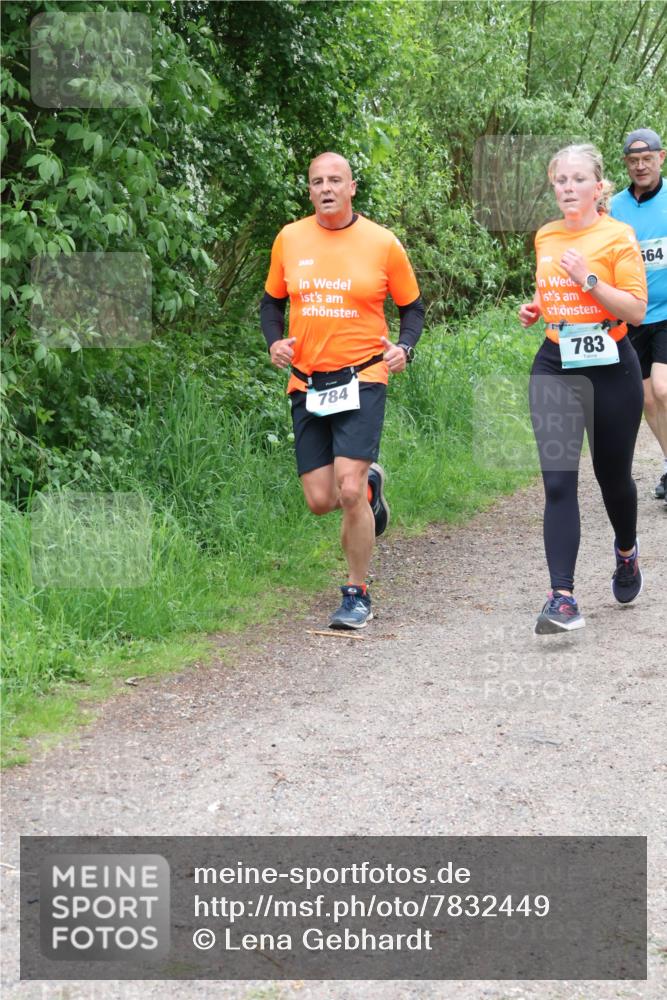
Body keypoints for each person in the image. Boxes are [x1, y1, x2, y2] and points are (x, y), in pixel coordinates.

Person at [260, 152, 424, 629]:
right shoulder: (290, 238)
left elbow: (413, 308)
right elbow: (270, 304)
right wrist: (275, 341)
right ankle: (372, 485)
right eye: (317, 182)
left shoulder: (382, 242)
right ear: (309, 190)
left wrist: (405, 349)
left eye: (335, 180)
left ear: (352, 187)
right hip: (307, 382)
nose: (326, 188)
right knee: (320, 499)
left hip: (364, 375)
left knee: (347, 491)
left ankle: (357, 592)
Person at [519, 144, 647, 634]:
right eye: (560, 180)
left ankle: (627, 552)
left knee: (612, 478)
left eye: (577, 180)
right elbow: (550, 288)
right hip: (556, 362)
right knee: (557, 481)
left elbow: (634, 310)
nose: (567, 188)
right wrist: (537, 307)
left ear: (598, 187)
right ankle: (563, 597)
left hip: (612, 365)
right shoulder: (546, 235)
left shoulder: (619, 235)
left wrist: (588, 278)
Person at [610, 128, 667, 506]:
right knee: (647, 400)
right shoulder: (615, 206)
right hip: (632, 316)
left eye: (648, 159)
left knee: (663, 389)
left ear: (661, 158)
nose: (641, 166)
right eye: (634, 161)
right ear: (627, 165)